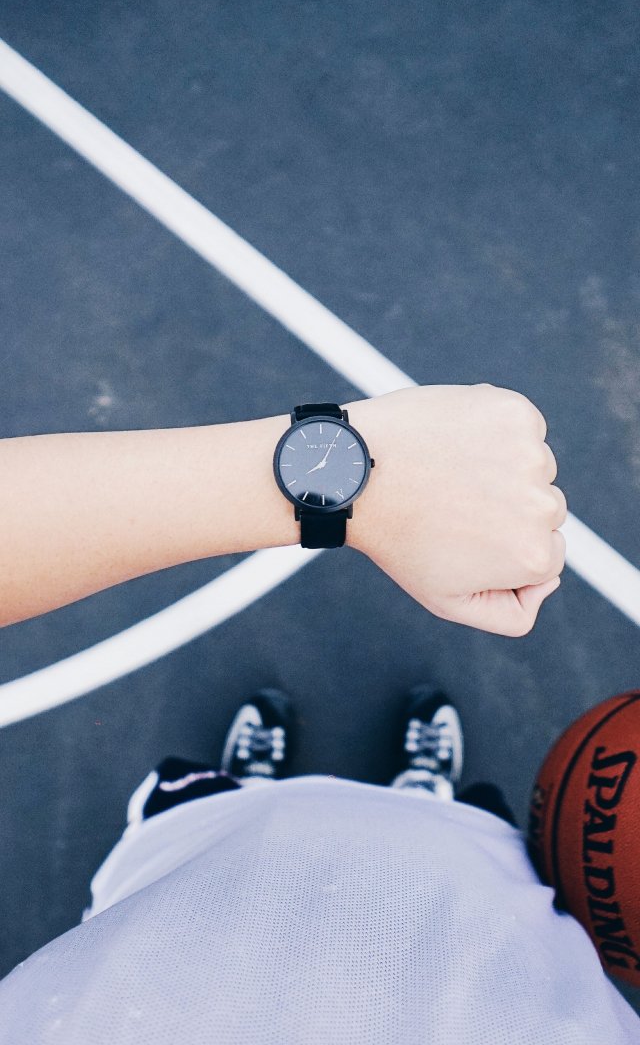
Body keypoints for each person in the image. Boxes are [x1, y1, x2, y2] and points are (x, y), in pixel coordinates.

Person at [0, 383, 637, 1043]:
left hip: (190, 903)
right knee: (438, 854)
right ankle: (420, 800)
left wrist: (363, 483)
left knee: (222, 849)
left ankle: (252, 795)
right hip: (465, 904)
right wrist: (359, 481)